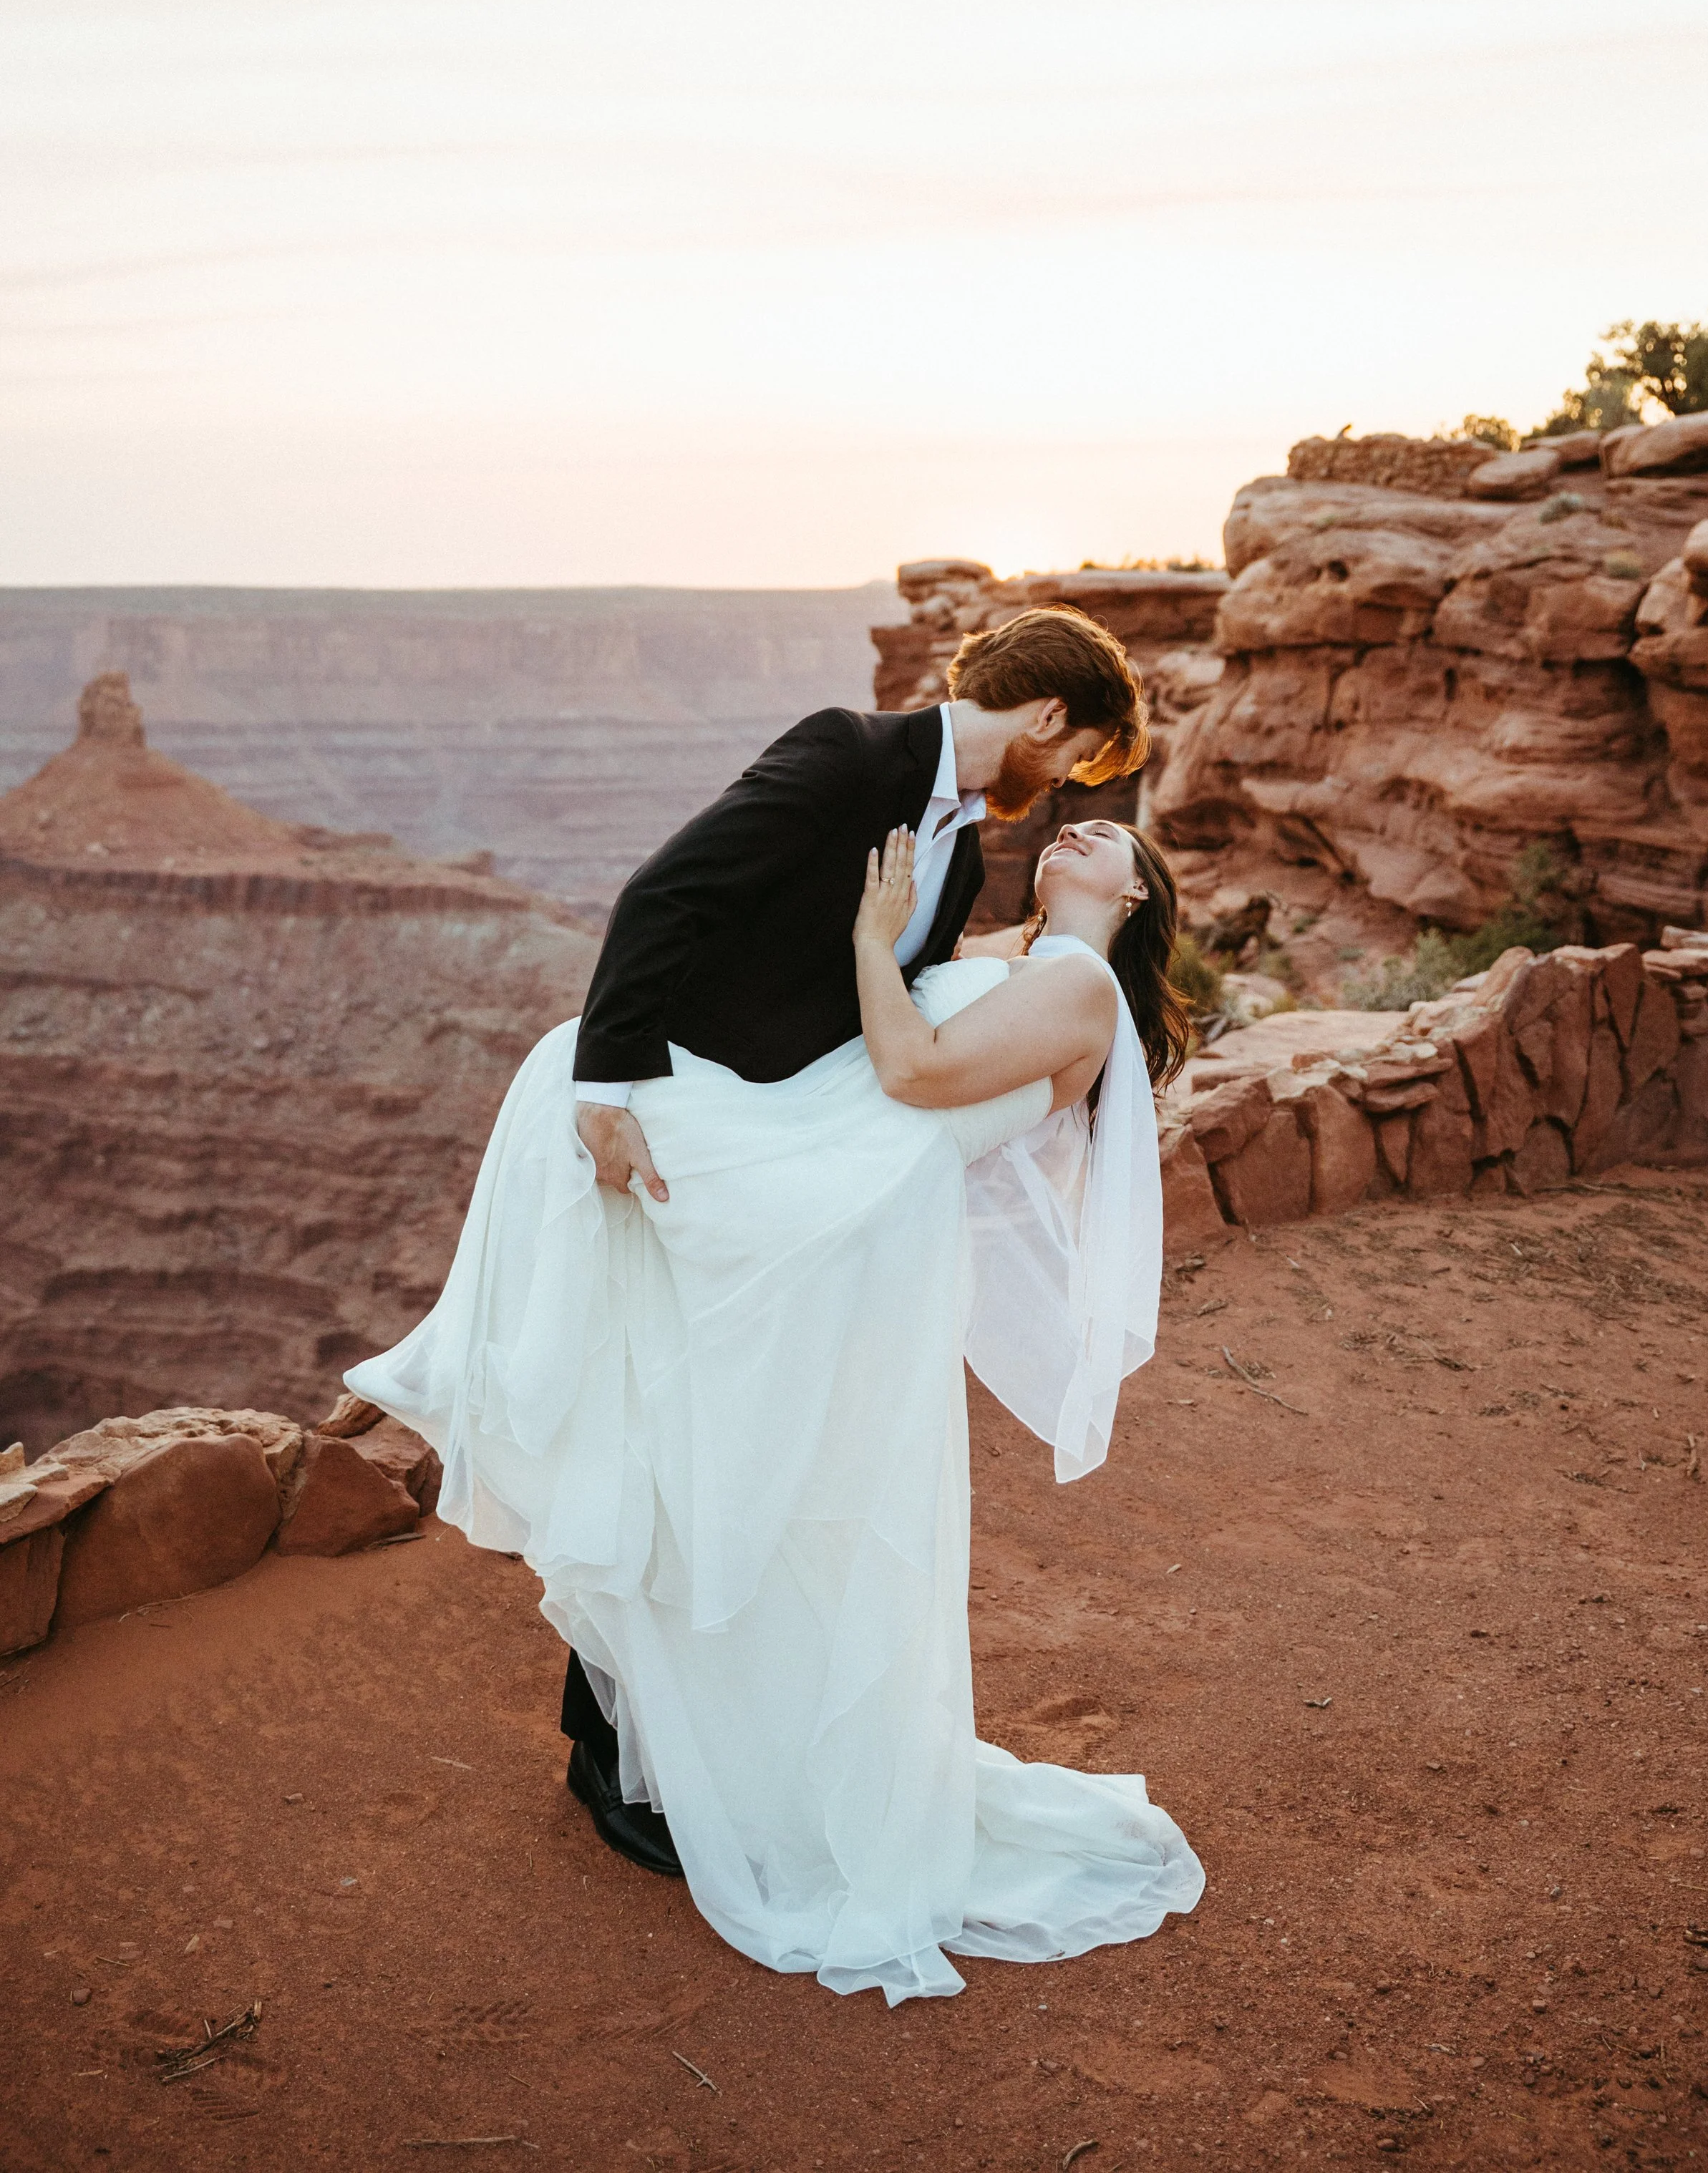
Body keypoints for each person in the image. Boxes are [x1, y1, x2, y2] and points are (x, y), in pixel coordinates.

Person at [345, 606, 1205, 2002]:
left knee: (733, 1471)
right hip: (798, 1175)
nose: (1064, 808)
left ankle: (666, 1755)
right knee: (673, 1434)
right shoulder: (896, 802)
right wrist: (613, 1083)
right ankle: (623, 1746)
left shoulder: (1053, 964)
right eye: (1077, 776)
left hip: (846, 1212)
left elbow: (911, 1062)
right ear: (1050, 724)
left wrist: (878, 947)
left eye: (1097, 820)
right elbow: (673, 902)